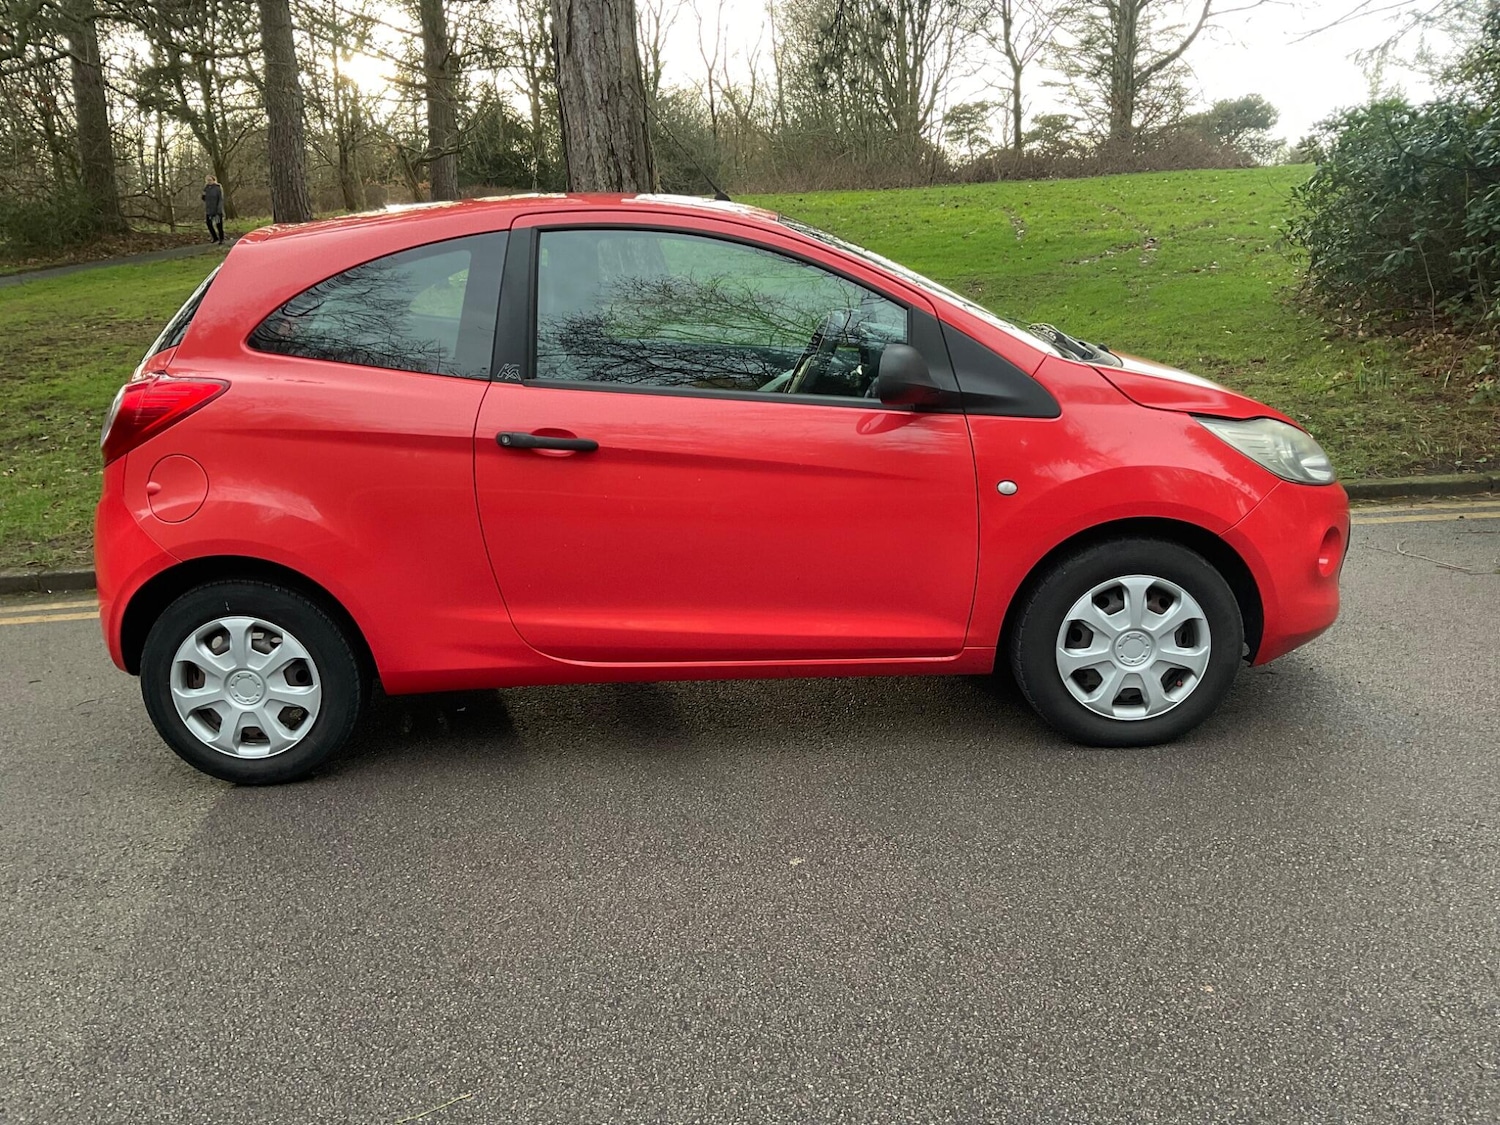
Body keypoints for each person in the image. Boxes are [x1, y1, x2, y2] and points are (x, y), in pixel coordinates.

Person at [202, 175, 225, 245]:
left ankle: (222, 239)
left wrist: (219, 209)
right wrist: (203, 195)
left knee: (219, 225)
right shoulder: (206, 188)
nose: (209, 181)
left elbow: (220, 199)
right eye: (207, 180)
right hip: (209, 210)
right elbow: (204, 199)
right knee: (209, 224)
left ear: (213, 180)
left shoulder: (217, 188)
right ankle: (215, 237)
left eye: (210, 180)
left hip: (217, 210)